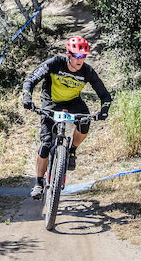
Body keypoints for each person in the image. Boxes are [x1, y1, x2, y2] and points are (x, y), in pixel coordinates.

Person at [22, 35, 112, 199]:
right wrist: (27, 98)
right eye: (77, 56)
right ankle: (38, 183)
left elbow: (105, 95)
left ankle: (71, 151)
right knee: (46, 143)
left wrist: (104, 110)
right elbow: (30, 80)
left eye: (83, 56)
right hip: (51, 101)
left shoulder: (87, 71)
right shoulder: (55, 63)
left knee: (84, 123)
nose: (80, 60)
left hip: (73, 102)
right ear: (68, 54)